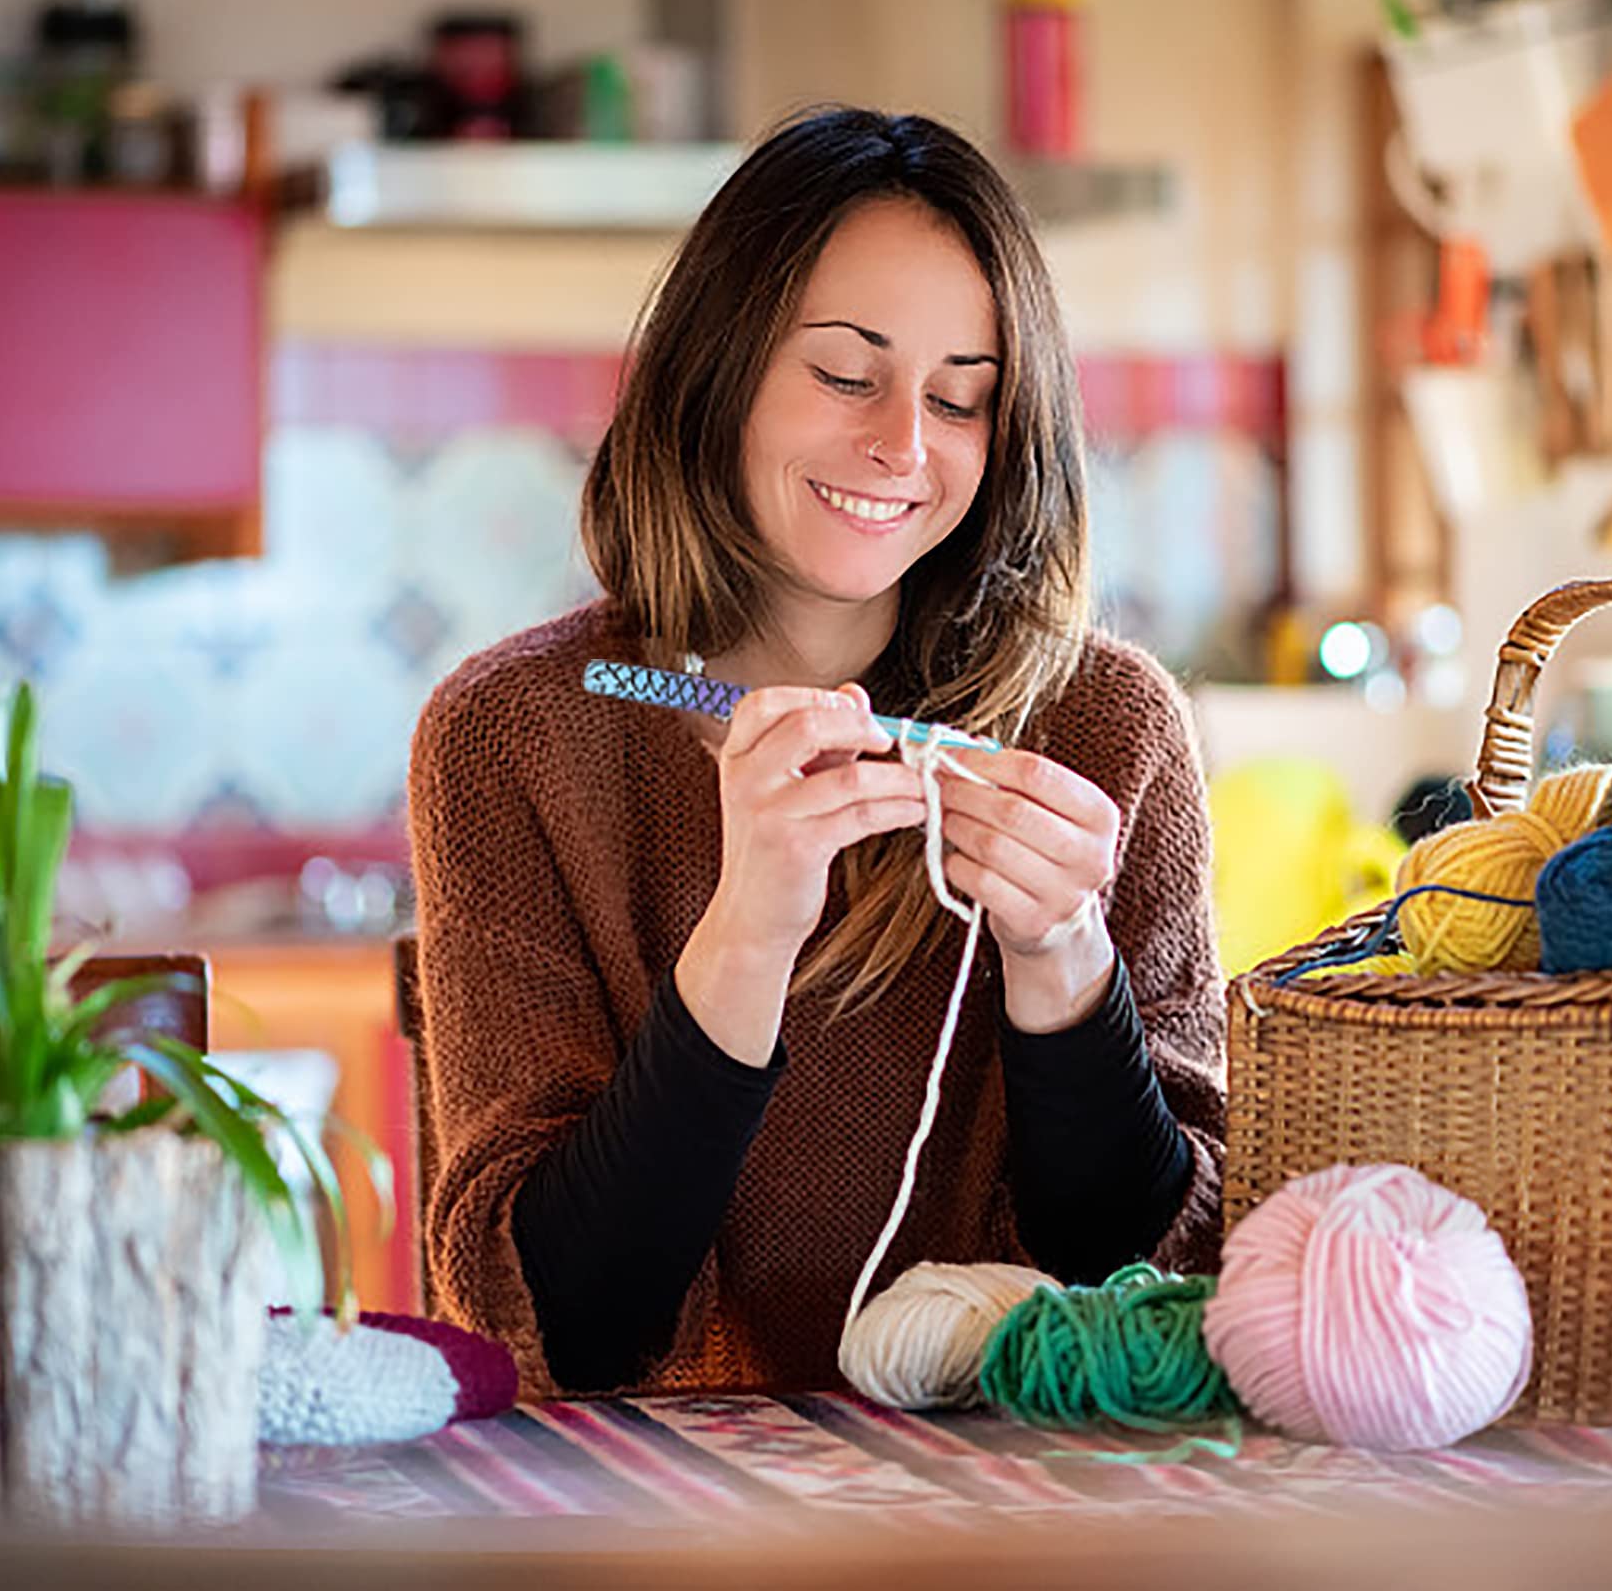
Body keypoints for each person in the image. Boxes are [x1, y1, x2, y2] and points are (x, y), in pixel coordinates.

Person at [407, 106, 1226, 1401]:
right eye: (847, 375)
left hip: (1032, 1520)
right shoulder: (514, 734)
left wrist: (1066, 969)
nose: (905, 443)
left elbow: (1161, 1291)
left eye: (963, 397)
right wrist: (748, 932)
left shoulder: (1107, 729)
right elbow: (558, 1326)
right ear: (718, 365)